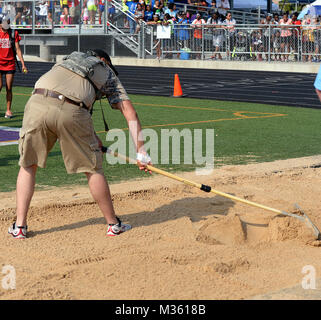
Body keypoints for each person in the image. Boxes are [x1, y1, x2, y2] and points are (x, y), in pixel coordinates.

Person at [8, 49, 152, 239]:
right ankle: (113, 224)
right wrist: (141, 152)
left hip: (35, 103)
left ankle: (19, 227)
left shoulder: (67, 59)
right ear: (103, 61)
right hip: (72, 110)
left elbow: (63, 91)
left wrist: (92, 137)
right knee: (92, 169)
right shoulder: (105, 71)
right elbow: (130, 113)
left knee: (28, 165)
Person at [0, 14, 27, 119]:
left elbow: (18, 49)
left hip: (10, 64)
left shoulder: (13, 33)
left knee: (9, 88)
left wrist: (23, 64)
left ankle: (8, 110)